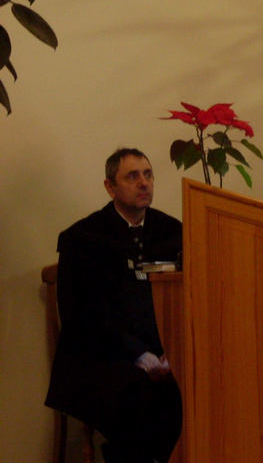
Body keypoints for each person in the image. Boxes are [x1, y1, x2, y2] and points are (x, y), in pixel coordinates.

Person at [45, 148, 183, 463]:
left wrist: (173, 352)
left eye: (148, 175)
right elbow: (79, 317)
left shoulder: (173, 232)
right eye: (132, 176)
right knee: (137, 396)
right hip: (100, 354)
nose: (144, 183)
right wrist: (139, 355)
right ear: (110, 187)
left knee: (190, 389)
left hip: (165, 352)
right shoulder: (82, 238)